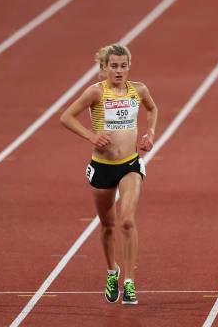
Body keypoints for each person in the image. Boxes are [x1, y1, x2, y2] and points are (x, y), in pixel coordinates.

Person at [60, 44, 157, 305]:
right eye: (113, 66)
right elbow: (66, 117)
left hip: (130, 165)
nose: (119, 70)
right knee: (108, 225)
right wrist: (91, 135)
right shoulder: (95, 92)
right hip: (102, 168)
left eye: (123, 66)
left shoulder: (139, 90)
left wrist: (150, 133)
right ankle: (111, 271)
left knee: (127, 221)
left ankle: (130, 282)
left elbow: (152, 109)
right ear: (103, 68)